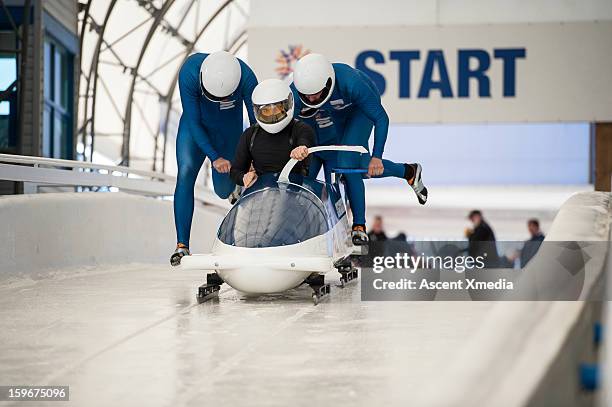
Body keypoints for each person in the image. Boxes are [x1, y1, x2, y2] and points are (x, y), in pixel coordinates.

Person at [291, 53, 428, 245]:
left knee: (347, 162)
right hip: (332, 114)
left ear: (329, 83)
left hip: (358, 111)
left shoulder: (352, 83)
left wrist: (377, 157)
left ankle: (359, 226)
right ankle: (409, 171)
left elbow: (381, 118)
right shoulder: (296, 93)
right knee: (306, 171)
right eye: (307, 95)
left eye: (316, 93)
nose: (312, 98)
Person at [171, 51, 258, 266]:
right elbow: (192, 120)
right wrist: (214, 156)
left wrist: (254, 158)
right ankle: (182, 244)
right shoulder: (189, 72)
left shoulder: (246, 77)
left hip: (228, 132)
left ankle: (233, 189)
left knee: (222, 191)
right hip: (195, 129)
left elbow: (257, 123)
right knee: (185, 172)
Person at [230, 78, 315, 189]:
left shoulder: (301, 129)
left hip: (294, 193)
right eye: (266, 111)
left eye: (276, 109)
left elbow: (305, 141)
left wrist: (301, 149)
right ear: (257, 111)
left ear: (287, 104)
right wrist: (244, 177)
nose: (272, 115)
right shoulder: (250, 135)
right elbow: (235, 170)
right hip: (262, 193)